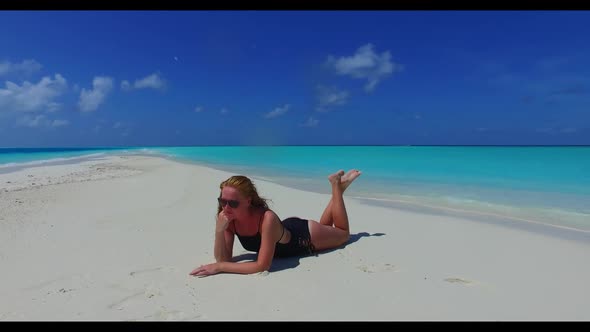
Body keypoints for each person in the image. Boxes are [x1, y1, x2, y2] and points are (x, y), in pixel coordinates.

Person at [189, 169, 362, 277]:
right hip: (284, 230)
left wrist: (219, 267)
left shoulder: (267, 218)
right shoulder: (227, 217)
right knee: (327, 229)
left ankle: (335, 187)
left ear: (248, 201)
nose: (226, 207)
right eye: (222, 201)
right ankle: (338, 190)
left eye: (233, 203)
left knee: (342, 234)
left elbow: (262, 265)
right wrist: (220, 231)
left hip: (305, 236)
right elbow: (224, 257)